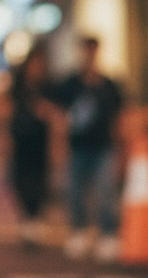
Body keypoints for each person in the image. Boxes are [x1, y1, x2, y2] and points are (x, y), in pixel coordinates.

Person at [50, 35, 124, 261]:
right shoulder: (70, 83)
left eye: (93, 51)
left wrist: (121, 149)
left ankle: (108, 235)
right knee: (74, 193)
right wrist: (58, 145)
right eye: (86, 51)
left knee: (105, 193)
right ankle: (79, 232)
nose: (89, 55)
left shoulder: (109, 85)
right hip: (77, 147)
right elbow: (60, 115)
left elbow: (117, 119)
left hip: (103, 147)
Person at [9, 47, 54, 246]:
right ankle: (28, 220)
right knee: (19, 181)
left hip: (40, 142)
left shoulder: (48, 88)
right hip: (20, 141)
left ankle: (33, 223)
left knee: (38, 182)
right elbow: (7, 112)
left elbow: (56, 114)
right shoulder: (17, 87)